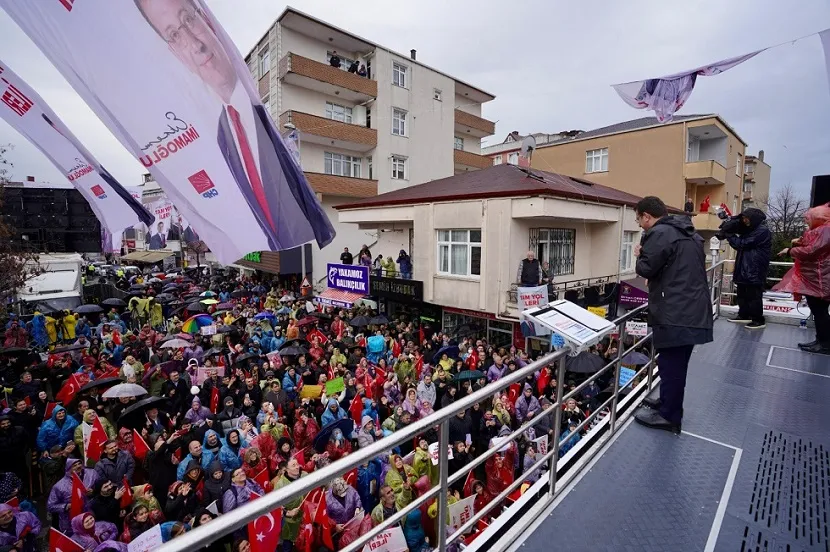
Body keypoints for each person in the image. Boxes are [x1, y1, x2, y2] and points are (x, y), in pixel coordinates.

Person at [134, 0, 334, 251]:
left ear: (207, 21)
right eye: (174, 34)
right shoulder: (221, 137)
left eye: (188, 19)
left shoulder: (259, 117)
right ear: (174, 52)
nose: (195, 45)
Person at [632, 196, 713, 433]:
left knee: (672, 364)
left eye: (639, 220)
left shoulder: (660, 234)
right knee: (670, 363)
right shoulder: (686, 232)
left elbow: (646, 267)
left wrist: (639, 254)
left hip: (676, 312)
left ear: (647, 216)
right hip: (689, 309)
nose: (639, 225)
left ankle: (670, 416)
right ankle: (667, 402)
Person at [774, 203, 830, 354]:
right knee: (819, 311)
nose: (807, 221)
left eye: (809, 218)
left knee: (820, 311)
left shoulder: (825, 230)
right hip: (817, 279)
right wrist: (798, 243)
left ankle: (825, 343)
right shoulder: (822, 230)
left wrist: (791, 250)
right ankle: (821, 340)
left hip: (820, 280)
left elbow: (812, 250)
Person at [722, 208, 772, 329]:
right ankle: (744, 315)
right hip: (744, 266)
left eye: (746, 218)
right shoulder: (750, 230)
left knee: (753, 295)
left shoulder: (762, 231)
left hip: (755, 268)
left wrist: (729, 235)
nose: (744, 221)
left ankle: (758, 320)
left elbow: (742, 244)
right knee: (742, 293)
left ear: (753, 219)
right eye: (743, 219)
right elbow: (740, 243)